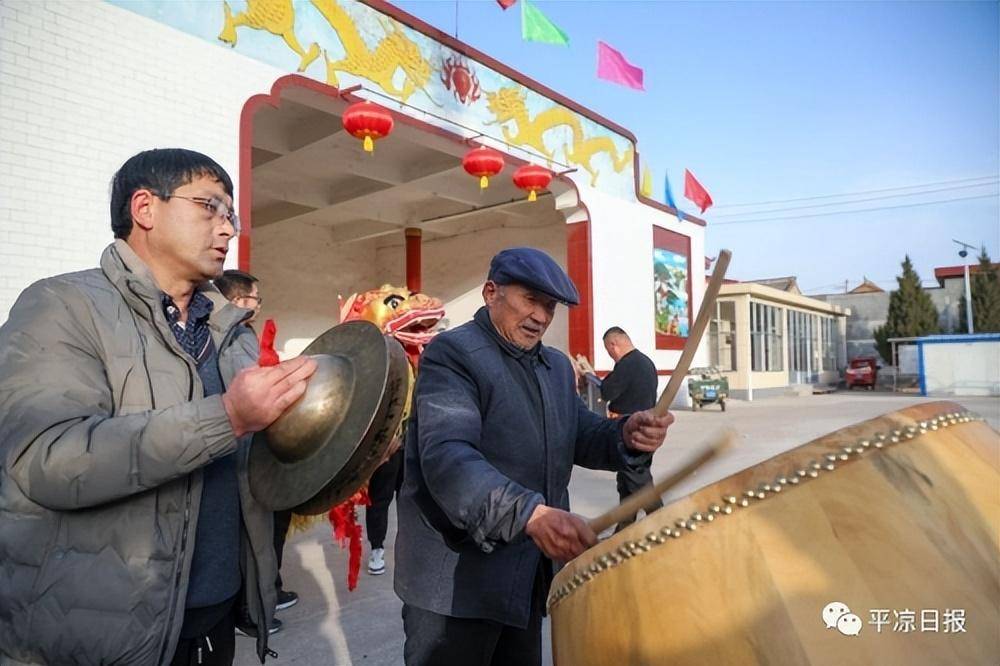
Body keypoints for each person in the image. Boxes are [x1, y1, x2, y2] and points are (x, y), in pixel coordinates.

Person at [0, 148, 316, 665]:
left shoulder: (231, 330)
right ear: (145, 208)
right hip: (102, 636)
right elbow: (47, 459)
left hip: (214, 619)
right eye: (210, 207)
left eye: (230, 214)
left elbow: (259, 471)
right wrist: (227, 417)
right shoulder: (62, 306)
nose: (228, 228)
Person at [393, 247, 673, 666]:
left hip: (527, 577)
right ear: (491, 293)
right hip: (456, 583)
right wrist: (530, 514)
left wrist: (626, 434)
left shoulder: (556, 367)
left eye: (549, 306)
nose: (541, 316)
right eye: (530, 300)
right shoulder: (453, 355)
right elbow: (448, 458)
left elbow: (581, 433)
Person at [213, 269, 298, 619]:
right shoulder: (233, 335)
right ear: (236, 301)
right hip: (244, 451)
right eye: (254, 299)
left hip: (237, 448)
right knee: (253, 535)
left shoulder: (231, 331)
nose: (258, 305)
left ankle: (259, 600)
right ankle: (251, 611)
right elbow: (248, 391)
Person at [600, 327, 663, 531]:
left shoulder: (627, 365)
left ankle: (664, 525)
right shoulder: (646, 362)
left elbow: (607, 390)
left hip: (631, 433)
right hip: (645, 430)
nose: (611, 355)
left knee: (640, 483)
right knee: (627, 485)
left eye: (608, 351)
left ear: (613, 345)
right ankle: (624, 530)